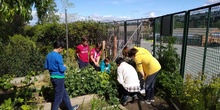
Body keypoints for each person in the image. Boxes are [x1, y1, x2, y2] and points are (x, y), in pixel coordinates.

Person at [44, 40, 79, 110]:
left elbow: (46, 67)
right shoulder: (58, 56)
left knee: (64, 94)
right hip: (59, 78)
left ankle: (70, 108)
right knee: (58, 97)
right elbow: (62, 69)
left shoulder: (48, 55)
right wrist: (64, 66)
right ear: (59, 48)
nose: (62, 50)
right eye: (62, 49)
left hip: (53, 77)